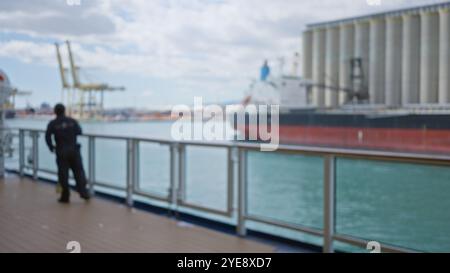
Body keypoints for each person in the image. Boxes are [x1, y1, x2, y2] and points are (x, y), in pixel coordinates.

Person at [45, 104, 90, 203]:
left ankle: (65, 196)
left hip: (61, 151)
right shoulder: (72, 121)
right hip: (74, 150)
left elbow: (47, 136)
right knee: (79, 172)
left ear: (55, 111)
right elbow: (79, 132)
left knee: (63, 174)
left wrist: (51, 147)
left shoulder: (53, 123)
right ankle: (84, 193)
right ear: (64, 110)